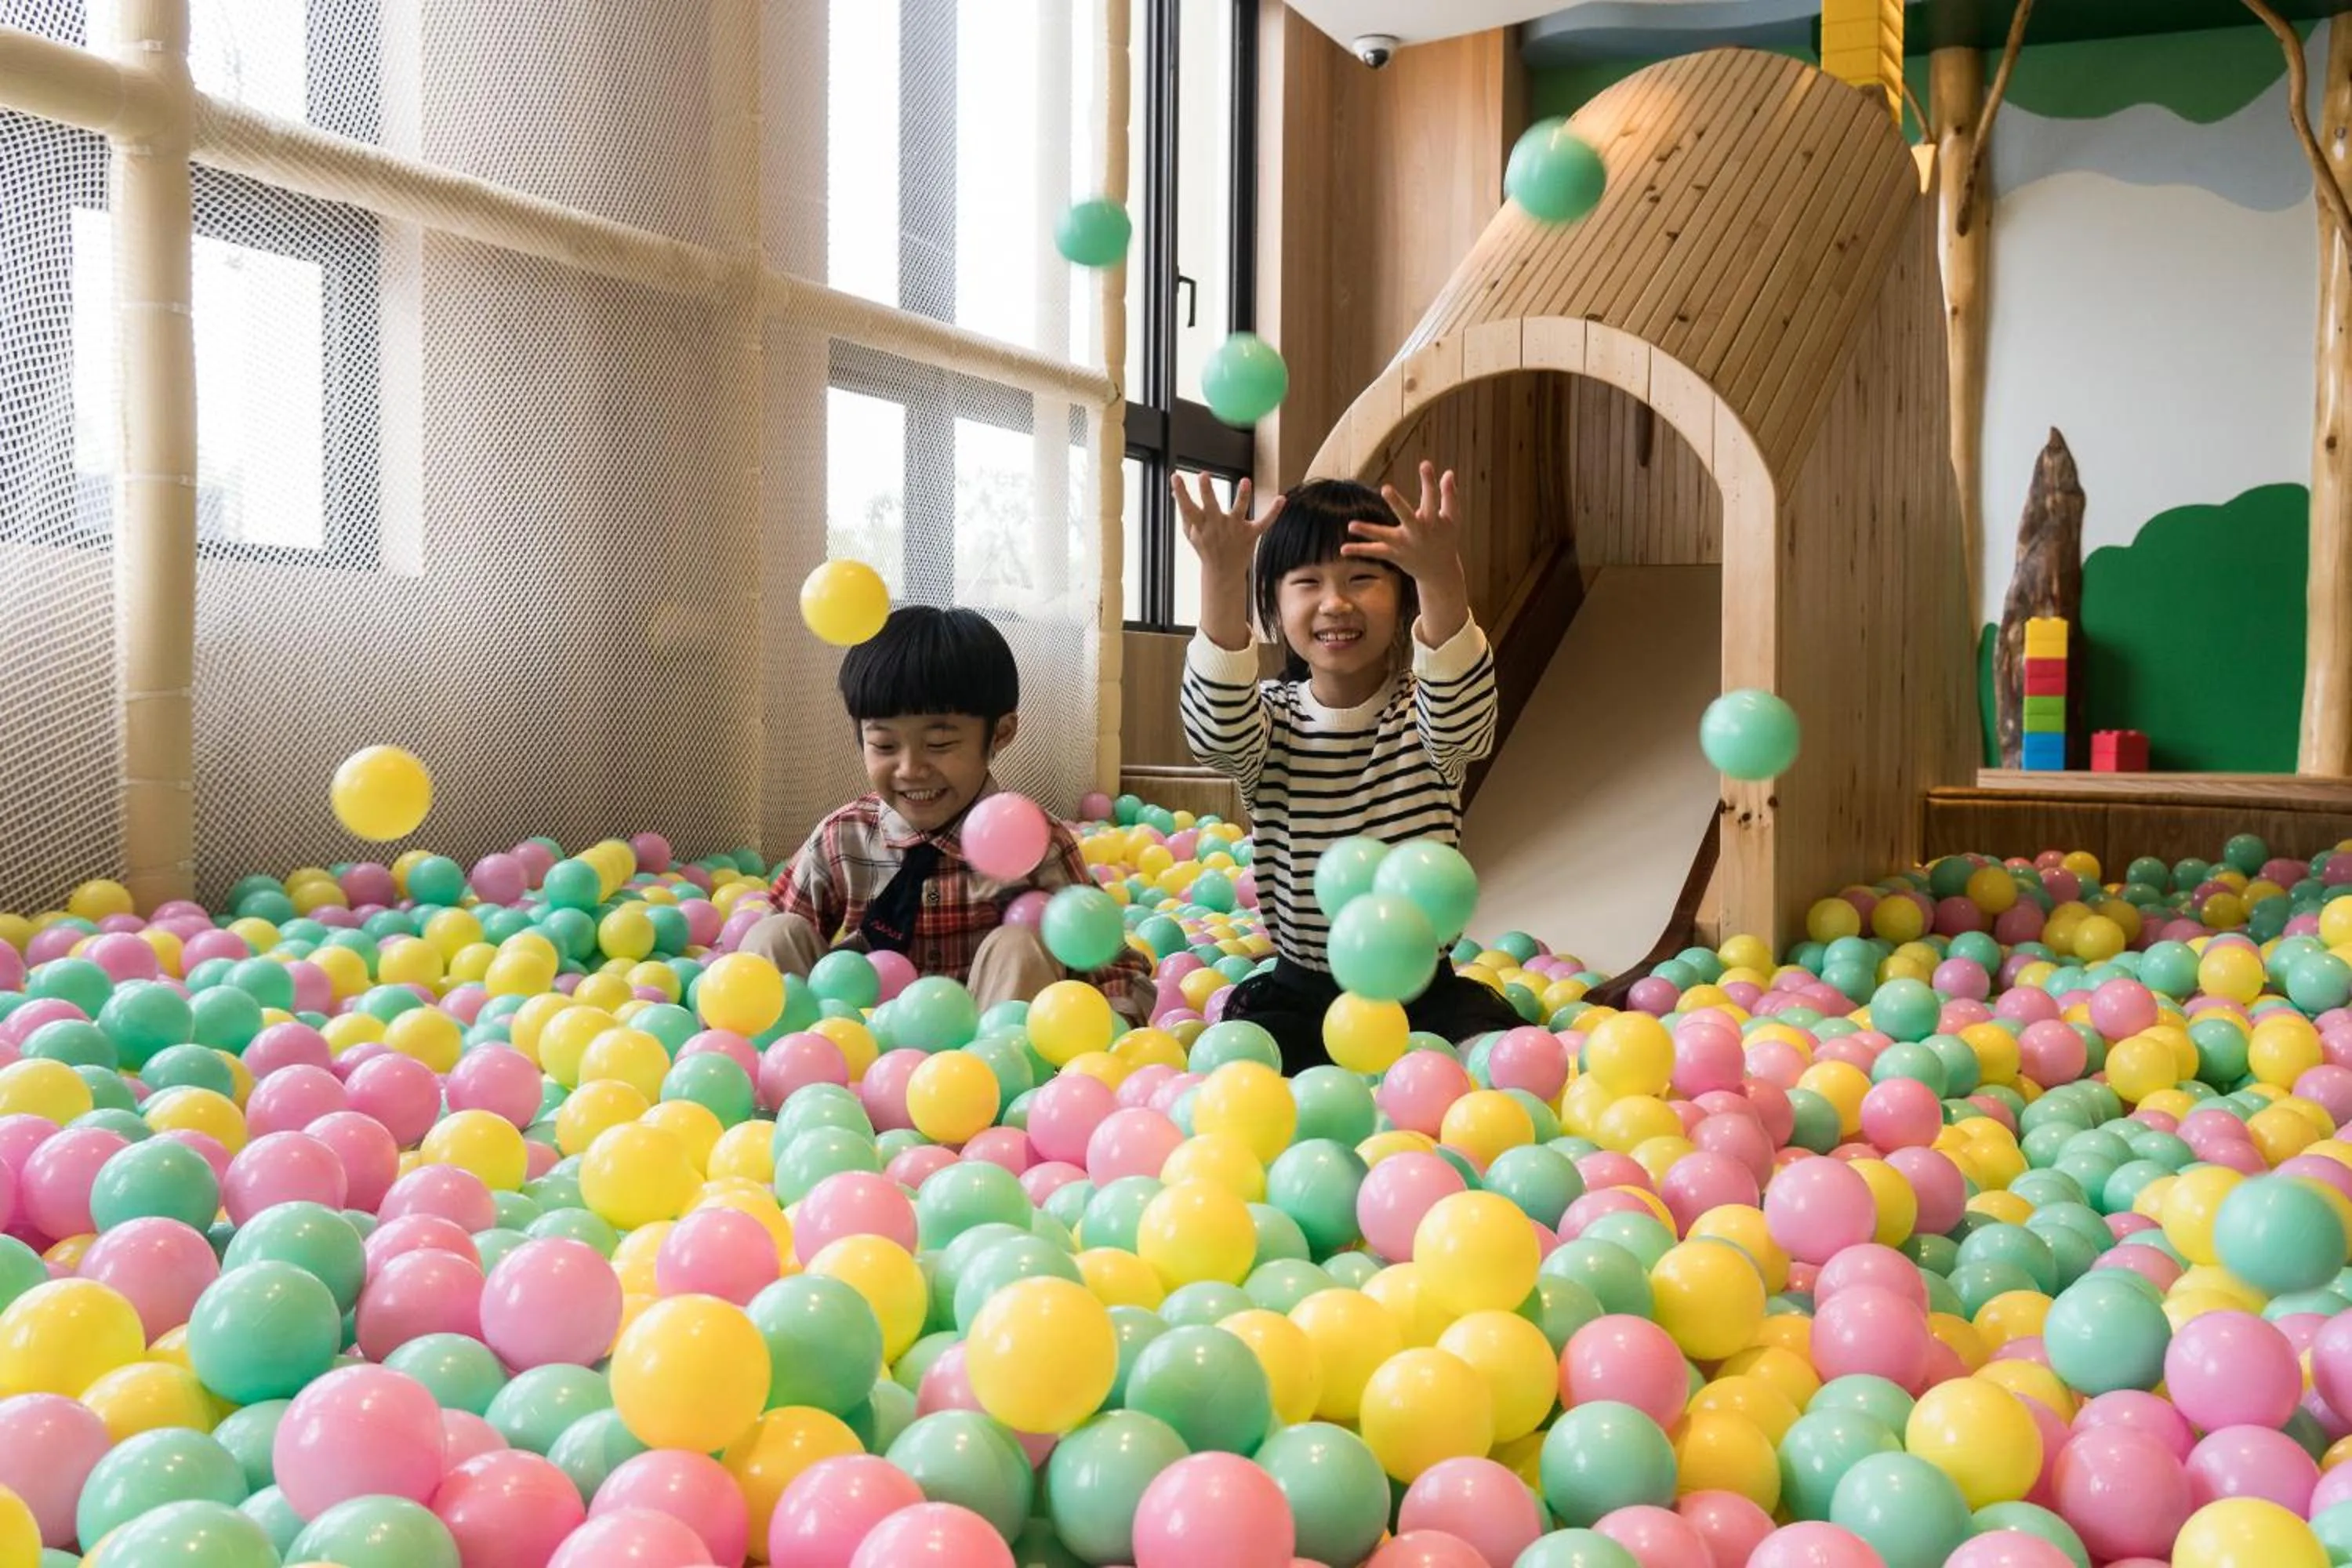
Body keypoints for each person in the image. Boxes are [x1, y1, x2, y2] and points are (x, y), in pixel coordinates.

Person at [1176, 460, 1522, 1073]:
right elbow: (1215, 733)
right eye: (1307, 582)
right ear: (1275, 606)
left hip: (1423, 993)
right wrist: (1221, 580)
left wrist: (1441, 576)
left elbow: (1464, 712)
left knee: (1494, 1067)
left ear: (1403, 597)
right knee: (1239, 1075)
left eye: (1362, 578)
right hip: (1303, 992)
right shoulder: (1271, 721)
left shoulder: (1423, 715)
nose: (1336, 603)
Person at [739, 604, 1154, 1022]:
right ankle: (758, 1053)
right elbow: (770, 952)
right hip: (859, 1042)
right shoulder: (843, 837)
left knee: (1020, 945)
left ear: (1001, 733)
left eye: (939, 745)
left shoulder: (1034, 843)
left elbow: (1114, 969)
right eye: (884, 746)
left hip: (991, 1047)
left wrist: (1115, 1030)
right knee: (774, 933)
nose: (910, 769)